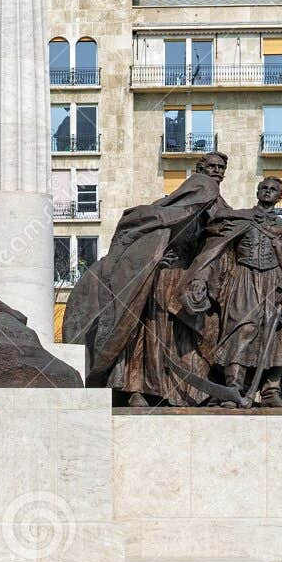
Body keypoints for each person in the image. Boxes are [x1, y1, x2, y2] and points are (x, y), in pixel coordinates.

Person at [63, 151, 234, 404]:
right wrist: (157, 259)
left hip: (190, 281)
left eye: (221, 168)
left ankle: (193, 391)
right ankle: (137, 389)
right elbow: (147, 230)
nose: (217, 171)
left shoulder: (216, 209)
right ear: (200, 169)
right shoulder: (177, 205)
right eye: (212, 166)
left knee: (197, 333)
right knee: (150, 332)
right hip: (163, 277)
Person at [185, 175, 282, 407]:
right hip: (243, 280)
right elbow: (216, 247)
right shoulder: (240, 218)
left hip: (275, 283)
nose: (267, 192)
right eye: (264, 188)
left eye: (273, 189)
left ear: (279, 196)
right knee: (241, 329)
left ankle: (270, 392)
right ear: (257, 192)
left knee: (276, 334)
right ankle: (233, 388)